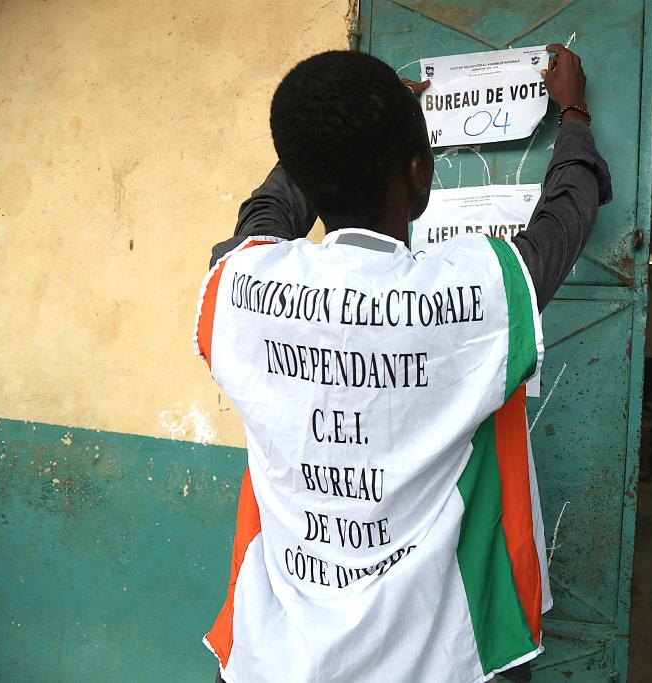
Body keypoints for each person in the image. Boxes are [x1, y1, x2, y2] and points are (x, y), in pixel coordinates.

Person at [193, 45, 611, 683]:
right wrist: (574, 115)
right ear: (420, 173)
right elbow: (564, 222)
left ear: (306, 174)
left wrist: (345, 132)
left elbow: (264, 216)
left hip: (272, 657)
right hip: (439, 660)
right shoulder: (476, 294)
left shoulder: (235, 288)